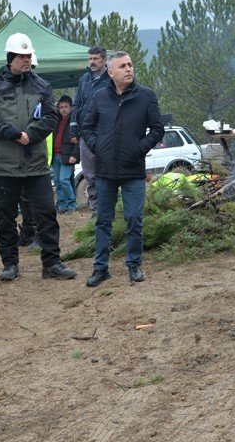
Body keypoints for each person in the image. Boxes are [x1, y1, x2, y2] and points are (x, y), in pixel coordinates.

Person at [0, 32, 76, 282]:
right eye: (21, 56)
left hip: (36, 165)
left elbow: (52, 118)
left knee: (46, 214)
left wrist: (30, 135)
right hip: (4, 166)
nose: (26, 60)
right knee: (7, 218)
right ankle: (10, 264)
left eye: (29, 55)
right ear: (10, 58)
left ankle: (51, 263)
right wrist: (10, 133)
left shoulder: (41, 85)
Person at [81, 52, 164, 287]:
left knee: (134, 218)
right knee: (103, 221)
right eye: (122, 66)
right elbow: (87, 127)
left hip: (133, 170)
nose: (129, 69)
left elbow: (157, 130)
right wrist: (99, 148)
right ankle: (101, 268)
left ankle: (134, 265)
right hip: (106, 171)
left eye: (130, 64)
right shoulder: (99, 97)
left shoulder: (145, 96)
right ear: (110, 72)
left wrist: (138, 149)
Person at [71, 46, 110, 213]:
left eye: (96, 59)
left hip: (106, 133)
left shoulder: (111, 78)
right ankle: (96, 210)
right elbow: (77, 104)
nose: (92, 62)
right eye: (90, 59)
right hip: (86, 134)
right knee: (89, 174)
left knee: (107, 172)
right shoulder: (84, 80)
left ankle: (109, 208)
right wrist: (73, 128)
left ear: (104, 60)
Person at [51, 95, 79, 214]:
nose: (63, 109)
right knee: (57, 181)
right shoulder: (56, 120)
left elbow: (78, 141)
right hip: (56, 155)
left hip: (67, 155)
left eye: (66, 107)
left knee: (64, 180)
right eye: (61, 107)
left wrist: (75, 155)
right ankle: (62, 206)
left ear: (71, 107)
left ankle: (72, 204)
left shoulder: (74, 121)